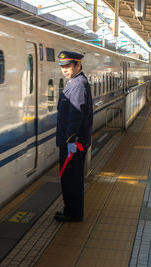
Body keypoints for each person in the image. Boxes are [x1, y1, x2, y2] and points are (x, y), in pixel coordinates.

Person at [54, 51, 93, 222]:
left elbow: (76, 115)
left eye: (68, 66)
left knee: (72, 180)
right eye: (62, 66)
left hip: (73, 144)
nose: (65, 70)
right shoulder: (75, 82)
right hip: (72, 142)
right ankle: (70, 210)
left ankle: (74, 213)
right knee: (70, 178)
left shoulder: (77, 84)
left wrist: (71, 140)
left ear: (78, 65)